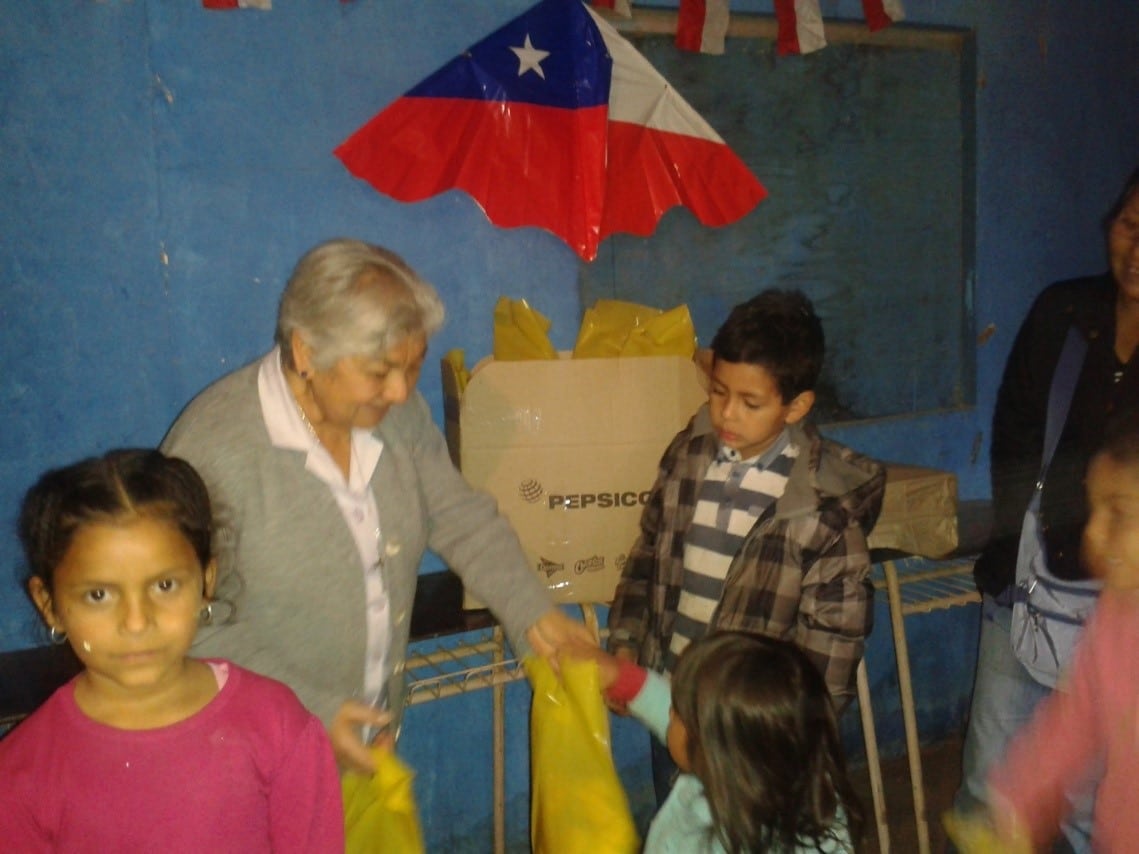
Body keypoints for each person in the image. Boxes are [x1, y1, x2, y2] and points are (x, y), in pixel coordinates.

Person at [160, 237, 594, 773]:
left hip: (368, 746)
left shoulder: (397, 417)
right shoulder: (212, 450)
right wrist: (310, 714)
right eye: (379, 371)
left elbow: (458, 516)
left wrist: (534, 613)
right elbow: (183, 622)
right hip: (255, 758)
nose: (400, 392)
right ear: (306, 353)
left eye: (412, 367)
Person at [607, 288, 886, 802]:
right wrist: (626, 642)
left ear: (797, 406)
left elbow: (833, 646)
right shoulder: (689, 455)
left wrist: (785, 741)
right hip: (672, 702)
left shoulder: (820, 507)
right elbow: (648, 555)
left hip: (750, 735)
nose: (727, 414)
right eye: (718, 392)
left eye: (750, 403)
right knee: (677, 824)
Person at [0, 449, 343, 852]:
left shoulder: (277, 727)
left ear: (206, 582)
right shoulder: (22, 773)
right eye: (98, 595)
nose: (136, 622)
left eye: (165, 586)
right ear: (49, 605)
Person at [953, 166, 1139, 851]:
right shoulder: (1064, 312)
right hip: (1032, 578)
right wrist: (1009, 546)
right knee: (991, 776)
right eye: (1130, 225)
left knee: (1092, 806)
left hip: (1115, 587)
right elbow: (1015, 432)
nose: (1137, 249)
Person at [943, 408, 1139, 852]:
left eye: (1119, 513)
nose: (1093, 534)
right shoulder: (1115, 616)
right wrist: (1016, 804)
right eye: (1093, 509)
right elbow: (1073, 723)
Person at [573, 631, 863, 853]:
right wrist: (621, 677)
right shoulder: (805, 793)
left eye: (678, 712)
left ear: (713, 749)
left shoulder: (704, 839)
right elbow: (687, 723)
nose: (669, 712)